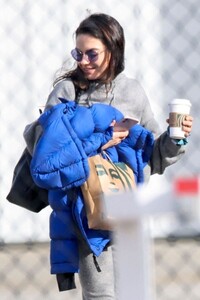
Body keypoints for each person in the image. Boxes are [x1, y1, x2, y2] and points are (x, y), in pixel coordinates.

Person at [24, 13, 193, 299]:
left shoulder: (132, 92)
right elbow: (45, 155)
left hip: (128, 208)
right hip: (86, 212)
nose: (83, 62)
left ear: (113, 51)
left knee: (134, 291)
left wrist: (176, 138)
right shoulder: (66, 93)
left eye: (92, 54)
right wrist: (101, 140)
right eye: (78, 53)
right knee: (101, 295)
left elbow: (152, 156)